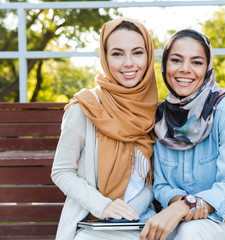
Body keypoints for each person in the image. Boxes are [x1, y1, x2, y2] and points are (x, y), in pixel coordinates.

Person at [140, 29, 225, 240]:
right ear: (165, 65)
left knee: (191, 233)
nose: (185, 69)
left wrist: (186, 206)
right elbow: (161, 185)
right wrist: (181, 203)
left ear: (207, 67)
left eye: (197, 62)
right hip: (182, 221)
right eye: (176, 60)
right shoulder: (161, 118)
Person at [51, 17, 158, 240]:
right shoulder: (85, 107)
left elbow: (151, 181)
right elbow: (61, 171)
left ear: (148, 56)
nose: (129, 63)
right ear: (105, 58)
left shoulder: (153, 111)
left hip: (141, 220)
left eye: (137, 52)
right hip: (92, 225)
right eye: (117, 54)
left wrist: (132, 210)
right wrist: (104, 206)